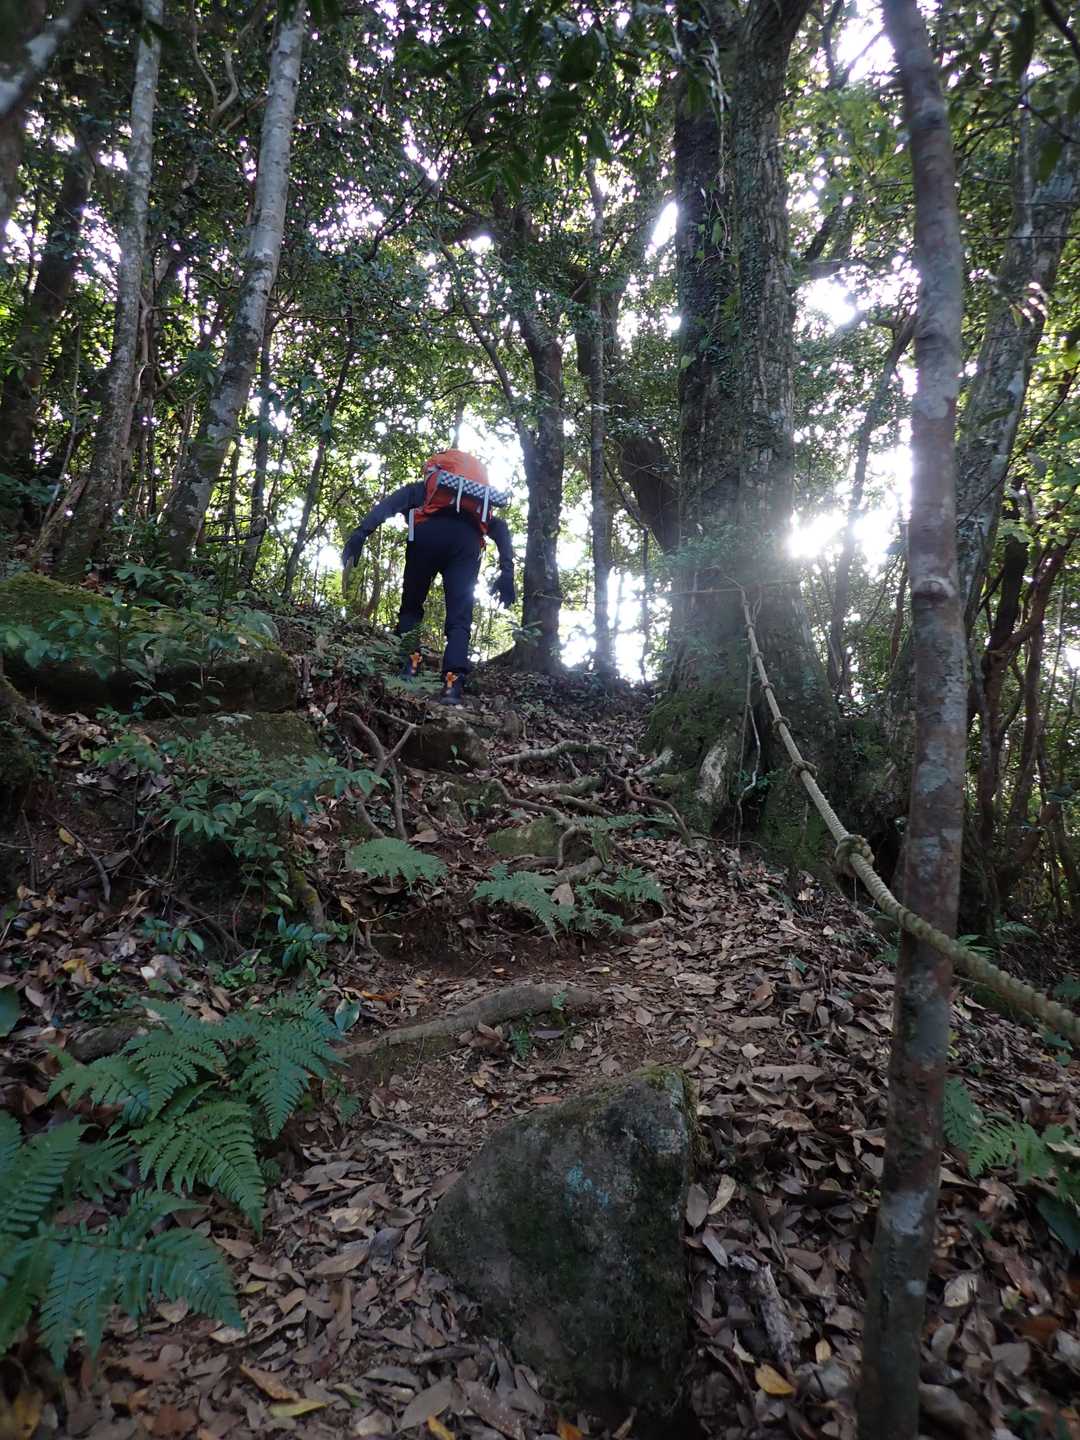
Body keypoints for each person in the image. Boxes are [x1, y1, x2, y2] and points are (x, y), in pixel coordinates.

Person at [341, 450, 516, 705]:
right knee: (459, 618)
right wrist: (507, 571)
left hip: (426, 536)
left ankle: (410, 665)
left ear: (434, 472)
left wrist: (360, 534)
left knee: (412, 605)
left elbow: (388, 506)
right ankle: (452, 684)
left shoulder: (423, 490)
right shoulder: (477, 505)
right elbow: (500, 528)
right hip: (466, 543)